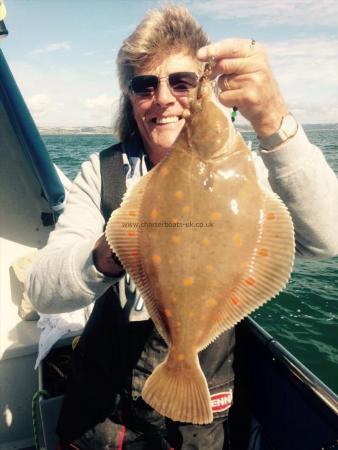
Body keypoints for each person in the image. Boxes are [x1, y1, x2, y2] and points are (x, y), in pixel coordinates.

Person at [26, 5, 338, 450]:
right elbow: (41, 289)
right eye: (145, 85)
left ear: (206, 88)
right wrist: (114, 251)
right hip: (100, 414)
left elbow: (325, 239)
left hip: (198, 416)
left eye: (183, 82)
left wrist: (272, 120)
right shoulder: (105, 173)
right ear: (130, 99)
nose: (165, 99)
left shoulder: (245, 172)